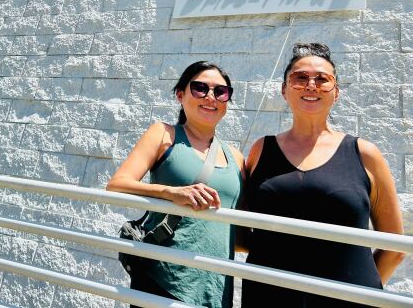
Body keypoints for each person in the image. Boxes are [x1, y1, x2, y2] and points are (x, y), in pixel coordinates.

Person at [242, 42, 405, 307]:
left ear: (336, 92)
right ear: (284, 90)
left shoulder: (365, 153)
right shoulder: (261, 149)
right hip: (269, 295)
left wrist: (361, 292)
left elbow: (394, 247)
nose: (311, 85)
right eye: (300, 78)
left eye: (322, 79)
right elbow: (241, 231)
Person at [107, 61, 245, 308]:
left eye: (220, 92)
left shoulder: (236, 156)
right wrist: (170, 193)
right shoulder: (164, 134)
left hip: (215, 284)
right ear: (180, 95)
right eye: (200, 88)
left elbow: (237, 229)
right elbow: (117, 184)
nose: (210, 97)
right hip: (164, 277)